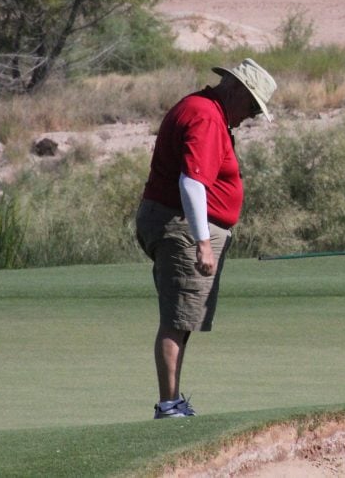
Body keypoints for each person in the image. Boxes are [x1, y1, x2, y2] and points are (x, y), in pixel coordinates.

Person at [136, 59, 276, 419]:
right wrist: (201, 241)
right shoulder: (207, 117)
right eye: (252, 107)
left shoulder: (202, 108)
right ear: (237, 90)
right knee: (177, 317)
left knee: (184, 317)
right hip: (181, 227)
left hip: (176, 222)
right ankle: (169, 404)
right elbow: (192, 182)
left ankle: (174, 400)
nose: (251, 116)